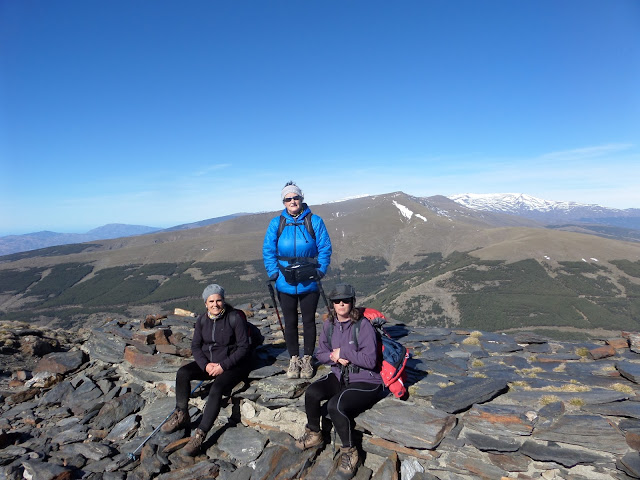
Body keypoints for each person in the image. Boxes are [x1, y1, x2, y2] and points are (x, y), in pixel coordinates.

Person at [295, 284, 386, 478]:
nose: (341, 304)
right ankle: (314, 433)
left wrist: (345, 353)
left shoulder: (363, 326)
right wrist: (334, 357)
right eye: (337, 301)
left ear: (352, 302)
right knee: (312, 393)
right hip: (340, 375)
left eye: (345, 300)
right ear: (332, 304)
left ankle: (350, 452)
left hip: (366, 381)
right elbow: (321, 354)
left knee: (334, 406)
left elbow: (371, 361)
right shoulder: (330, 325)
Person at [161, 284, 251, 456]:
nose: (215, 304)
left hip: (233, 364)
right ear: (205, 303)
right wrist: (205, 365)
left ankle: (200, 434)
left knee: (216, 389)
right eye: (211, 301)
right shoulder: (202, 320)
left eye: (218, 300)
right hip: (210, 363)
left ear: (223, 301)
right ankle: (182, 414)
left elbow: (243, 348)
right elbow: (195, 346)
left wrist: (223, 366)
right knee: (183, 373)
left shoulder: (234, 318)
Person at [263, 181, 332, 379]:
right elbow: (268, 249)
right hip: (285, 279)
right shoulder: (277, 223)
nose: (293, 201)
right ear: (284, 202)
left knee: (309, 321)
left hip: (309, 278)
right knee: (290, 321)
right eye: (288, 198)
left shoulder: (315, 221)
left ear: (302, 199)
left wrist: (320, 271)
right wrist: (274, 273)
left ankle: (307, 358)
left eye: (296, 197)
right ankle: (294, 359)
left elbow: (325, 247)